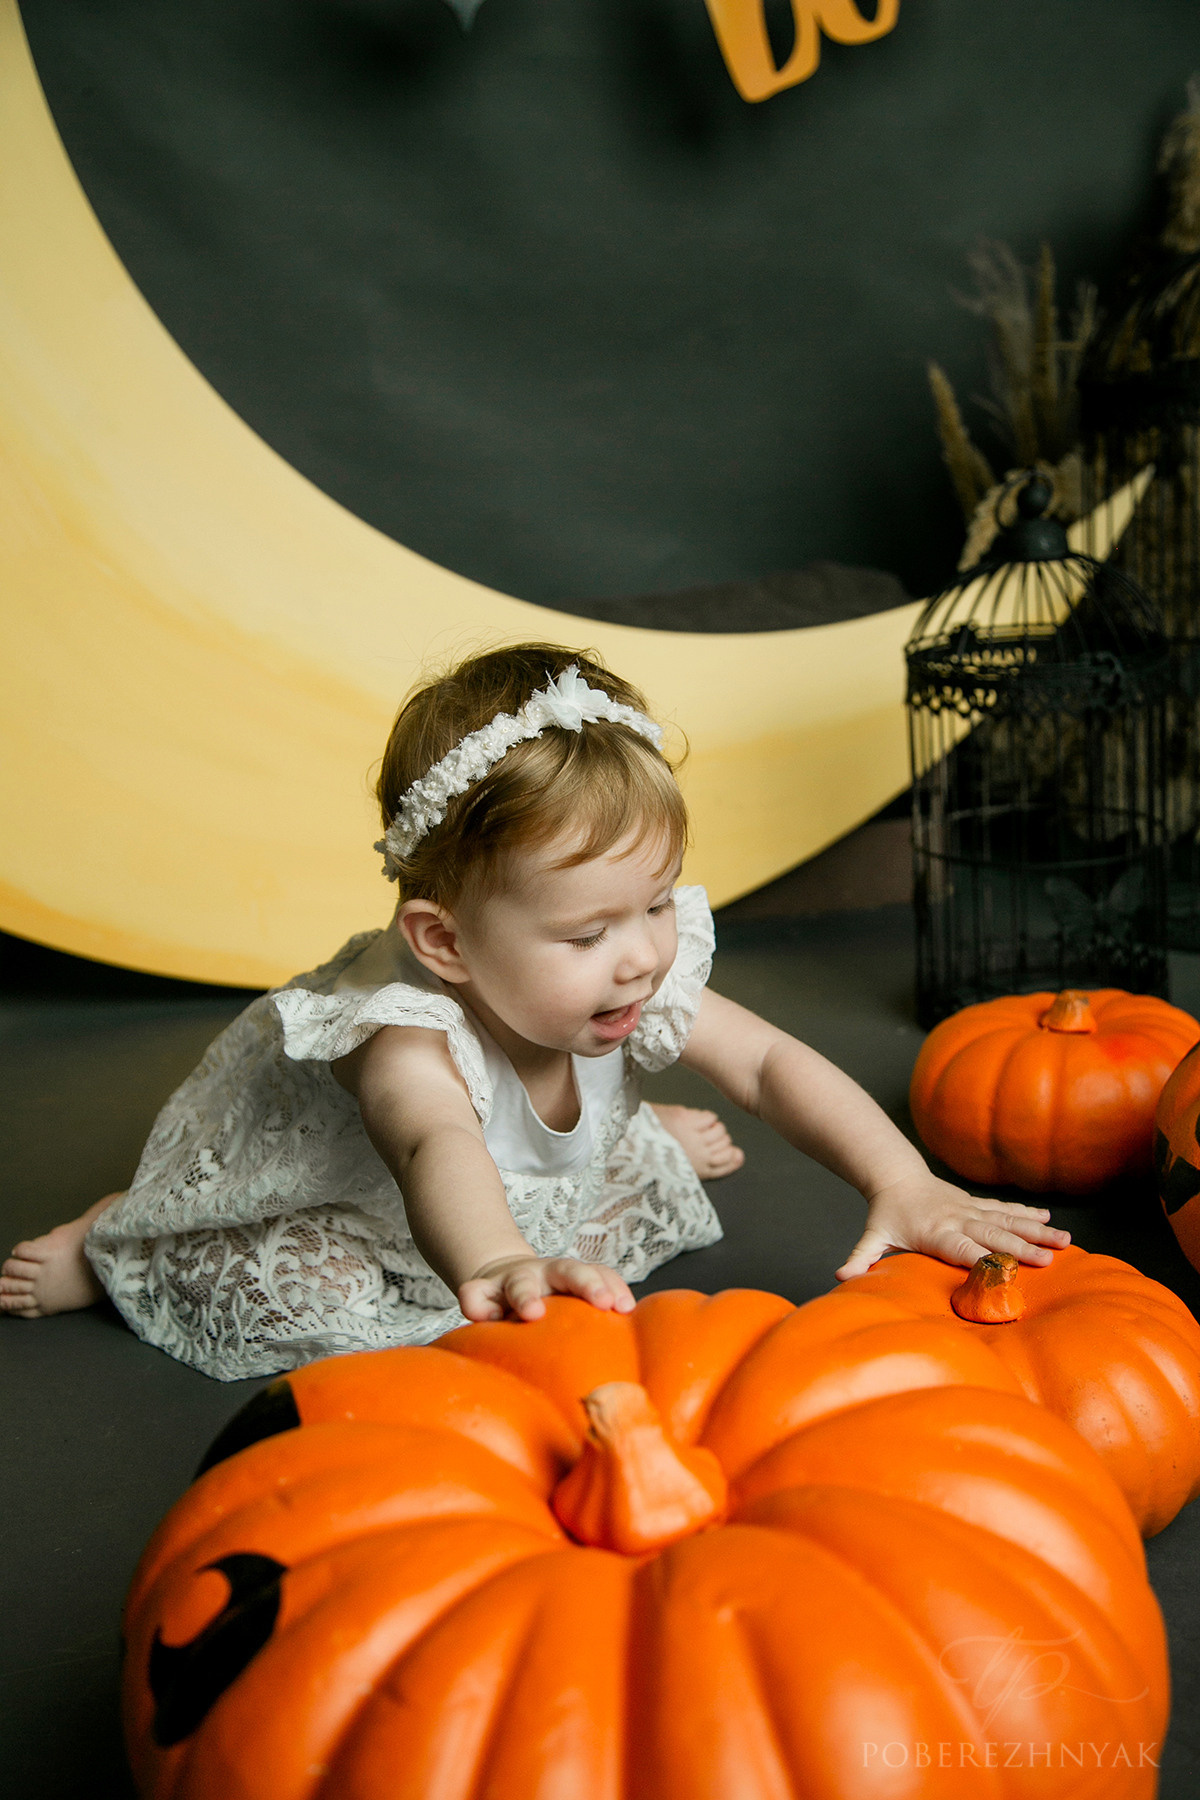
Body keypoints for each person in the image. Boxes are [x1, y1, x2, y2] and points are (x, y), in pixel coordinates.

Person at [0, 644, 1069, 1378]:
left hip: (489, 1167)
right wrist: (497, 1263)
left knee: (612, 1189)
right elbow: (431, 1146)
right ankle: (120, 1236)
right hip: (364, 1193)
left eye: (655, 903)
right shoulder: (403, 1037)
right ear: (447, 945)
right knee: (322, 1297)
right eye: (588, 933)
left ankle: (618, 1145)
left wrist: (903, 1180)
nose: (642, 957)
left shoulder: (624, 970)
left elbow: (768, 1065)